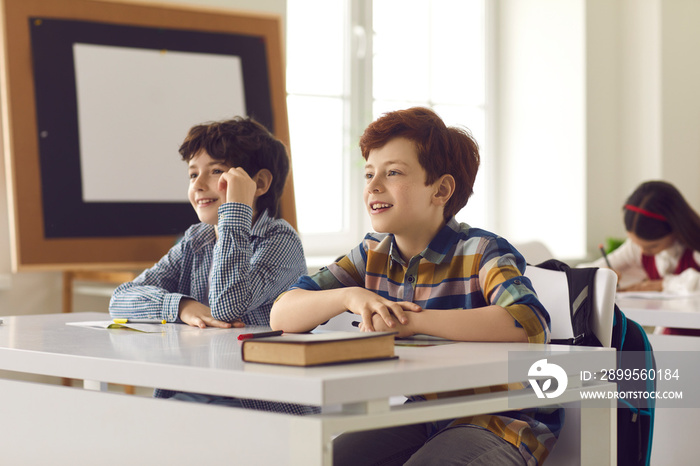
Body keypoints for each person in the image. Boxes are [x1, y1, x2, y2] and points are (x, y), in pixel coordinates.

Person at [271, 107, 559, 465]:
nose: (374, 186)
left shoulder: (482, 251)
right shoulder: (371, 253)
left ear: (441, 190)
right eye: (369, 174)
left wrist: (414, 321)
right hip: (423, 413)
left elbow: (528, 323)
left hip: (500, 419)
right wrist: (349, 295)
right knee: (328, 460)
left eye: (392, 173)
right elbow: (281, 314)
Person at [110, 116, 314, 414]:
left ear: (258, 183)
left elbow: (227, 306)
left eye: (216, 171)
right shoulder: (198, 239)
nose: (199, 186)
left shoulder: (280, 240)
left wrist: (236, 210)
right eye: (193, 175)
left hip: (255, 403)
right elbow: (121, 299)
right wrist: (182, 307)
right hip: (198, 390)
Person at [581, 180, 700, 336]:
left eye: (653, 246)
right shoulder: (636, 248)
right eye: (638, 244)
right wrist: (600, 275)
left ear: (676, 230)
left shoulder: (694, 249)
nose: (644, 251)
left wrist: (662, 284)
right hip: (669, 335)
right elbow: (582, 272)